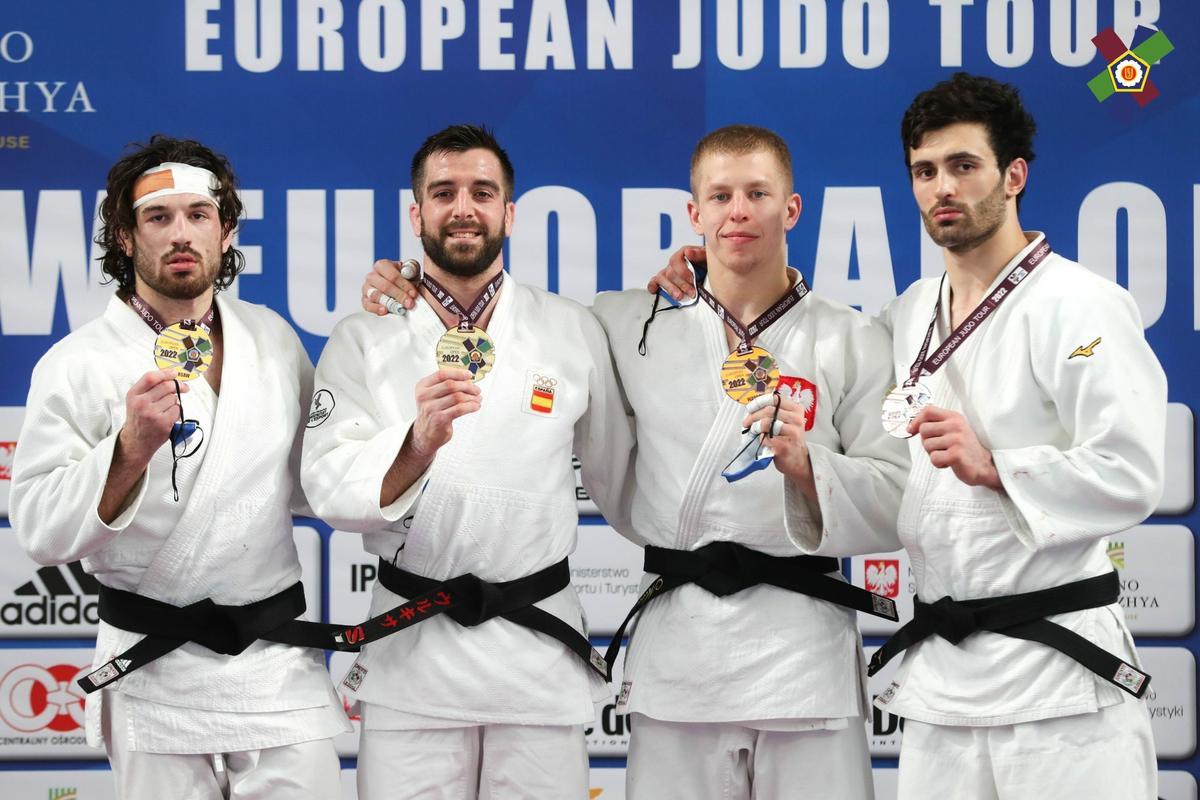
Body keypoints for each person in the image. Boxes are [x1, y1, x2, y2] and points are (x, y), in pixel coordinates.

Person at [364, 124, 907, 799]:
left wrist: (806, 468)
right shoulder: (622, 322)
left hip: (805, 651)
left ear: (791, 209)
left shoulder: (853, 337)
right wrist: (407, 281)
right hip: (682, 653)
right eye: (721, 195)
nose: (738, 211)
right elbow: (497, 326)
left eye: (758, 194)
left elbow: (896, 498)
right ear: (694, 213)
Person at [9, 136, 348, 799]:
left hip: (272, 662)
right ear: (125, 237)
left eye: (199, 214)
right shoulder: (77, 364)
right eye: (158, 218)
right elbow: (40, 532)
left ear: (226, 230)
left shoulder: (272, 340)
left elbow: (324, 481)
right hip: (154, 668)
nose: (181, 233)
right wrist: (129, 449)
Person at [303, 124, 634, 800]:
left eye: (482, 193)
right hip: (413, 653)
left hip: (535, 652)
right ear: (415, 212)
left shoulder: (571, 330)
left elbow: (621, 475)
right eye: (443, 192)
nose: (463, 208)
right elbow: (331, 484)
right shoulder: (363, 337)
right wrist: (415, 447)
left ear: (509, 213)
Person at [869, 72, 1163, 799]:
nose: (944, 188)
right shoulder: (907, 313)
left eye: (964, 166)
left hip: (1059, 678)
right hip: (943, 676)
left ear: (1013, 174)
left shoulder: (1082, 303)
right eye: (926, 171)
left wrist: (996, 464)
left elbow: (1130, 471)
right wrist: (700, 288)